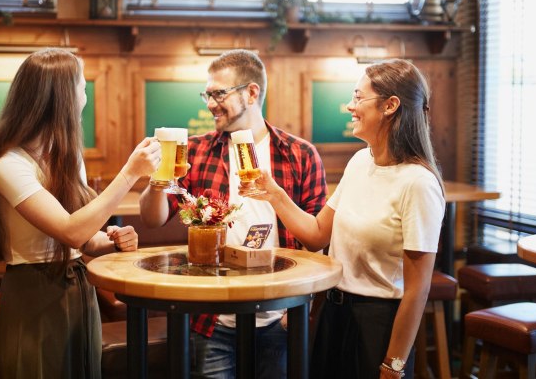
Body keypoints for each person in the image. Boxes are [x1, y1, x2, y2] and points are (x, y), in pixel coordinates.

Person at [0, 48, 161, 379]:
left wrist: (111, 240)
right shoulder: (9, 165)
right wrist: (130, 173)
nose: (85, 97)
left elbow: (82, 240)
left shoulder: (65, 157)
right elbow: (69, 231)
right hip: (34, 294)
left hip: (78, 288)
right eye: (82, 88)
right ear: (62, 98)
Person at [243, 59, 445, 379]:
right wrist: (275, 195)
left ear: (391, 105)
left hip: (377, 324)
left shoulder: (418, 183)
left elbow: (416, 291)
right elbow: (317, 234)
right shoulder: (358, 161)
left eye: (358, 97)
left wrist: (393, 364)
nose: (349, 106)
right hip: (333, 314)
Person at [139, 49, 328, 378]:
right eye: (207, 94)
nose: (210, 103)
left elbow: (319, 242)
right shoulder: (197, 150)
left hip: (280, 313)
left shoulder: (299, 154)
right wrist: (159, 176)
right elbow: (153, 218)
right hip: (211, 317)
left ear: (251, 93)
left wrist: (306, 302)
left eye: (218, 93)